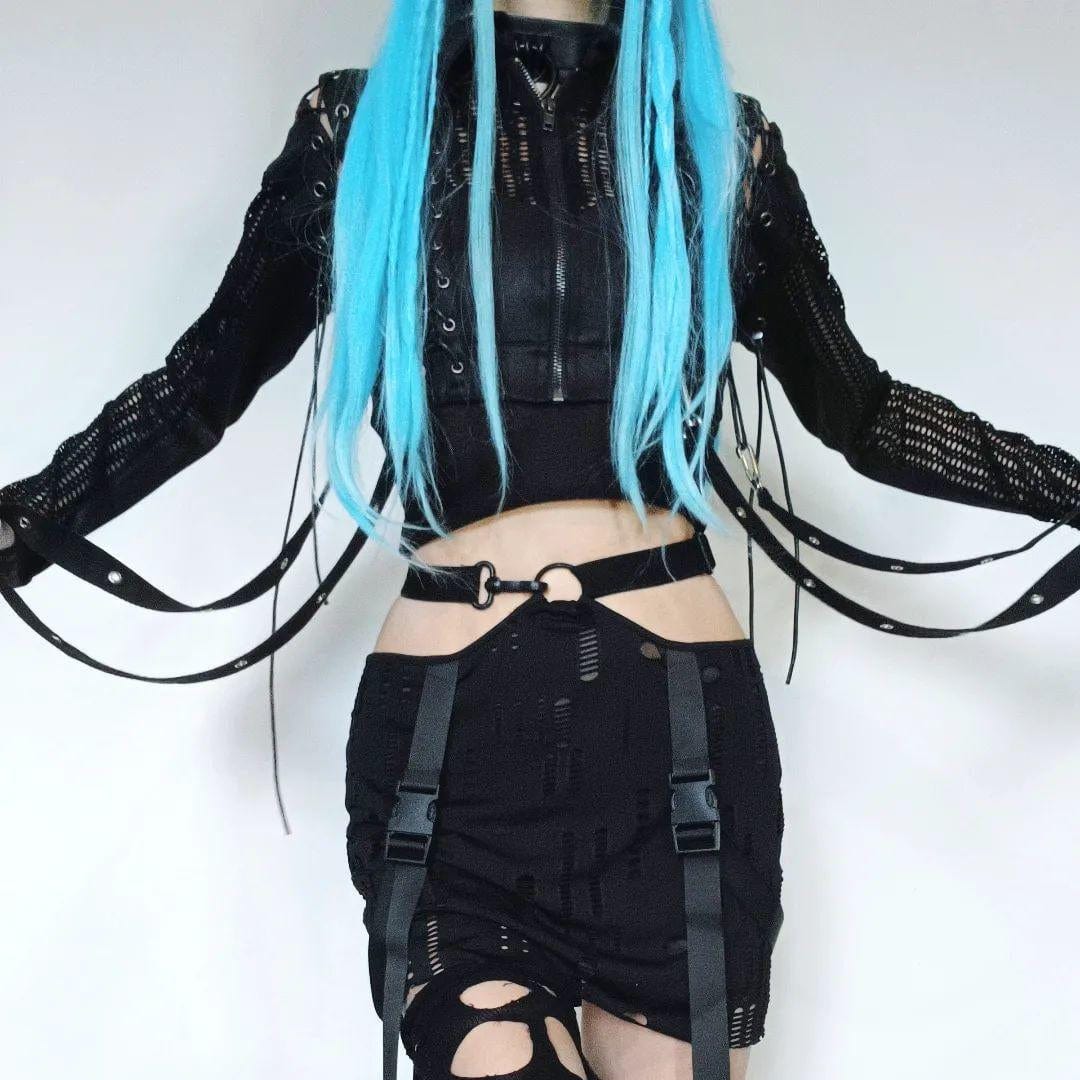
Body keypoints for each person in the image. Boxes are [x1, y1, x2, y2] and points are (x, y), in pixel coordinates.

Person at [2, 2, 1078, 1078]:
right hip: (454, 750)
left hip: (680, 752)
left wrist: (1064, 486)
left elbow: (864, 411)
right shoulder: (363, 132)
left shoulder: (721, 147)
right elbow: (197, 389)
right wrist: (25, 521)